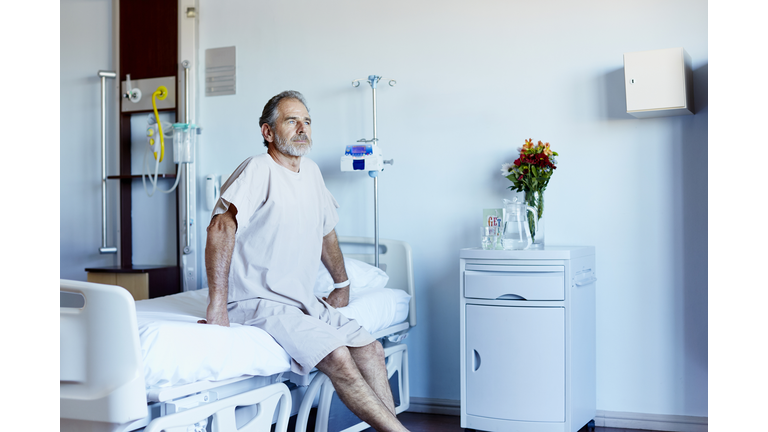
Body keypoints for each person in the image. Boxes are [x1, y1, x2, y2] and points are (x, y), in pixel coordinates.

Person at [199, 90, 410, 432]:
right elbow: (220, 228)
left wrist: (342, 284)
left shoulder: (311, 172)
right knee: (338, 356)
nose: (302, 128)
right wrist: (218, 304)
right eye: (291, 120)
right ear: (268, 132)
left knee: (371, 350)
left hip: (301, 300)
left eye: (307, 121)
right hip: (259, 300)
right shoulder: (258, 169)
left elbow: (326, 230)